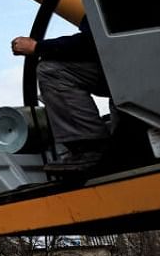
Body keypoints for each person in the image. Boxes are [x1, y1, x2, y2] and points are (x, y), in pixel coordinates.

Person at [11, 18, 110, 173]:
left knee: (51, 69)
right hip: (140, 66)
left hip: (129, 68)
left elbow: (93, 41)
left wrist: (36, 47)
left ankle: (88, 146)